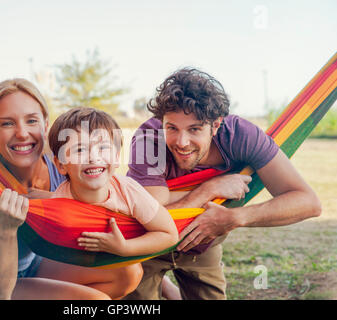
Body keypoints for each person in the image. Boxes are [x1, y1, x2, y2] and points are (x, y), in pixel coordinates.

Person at [124, 68, 322, 300]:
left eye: (195, 129)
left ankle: (167, 287)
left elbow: (308, 202)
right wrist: (211, 188)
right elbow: (149, 214)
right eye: (172, 128)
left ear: (216, 126)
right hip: (147, 243)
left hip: (203, 241)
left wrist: (235, 218)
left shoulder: (241, 137)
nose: (182, 142)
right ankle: (163, 284)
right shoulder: (149, 139)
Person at [0, 78, 113, 300]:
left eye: (31, 121)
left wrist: (48, 199)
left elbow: (108, 211)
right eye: (7, 123)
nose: (22, 133)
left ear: (45, 125)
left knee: (127, 272)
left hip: (33, 267)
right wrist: (6, 229)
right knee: (94, 300)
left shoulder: (62, 165)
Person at [30, 107, 178, 299]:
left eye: (103, 148)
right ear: (61, 165)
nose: (93, 157)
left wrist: (125, 248)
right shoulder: (60, 201)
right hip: (67, 262)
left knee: (129, 272)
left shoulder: (129, 192)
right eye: (80, 149)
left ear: (116, 158)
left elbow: (169, 234)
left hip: (109, 261)